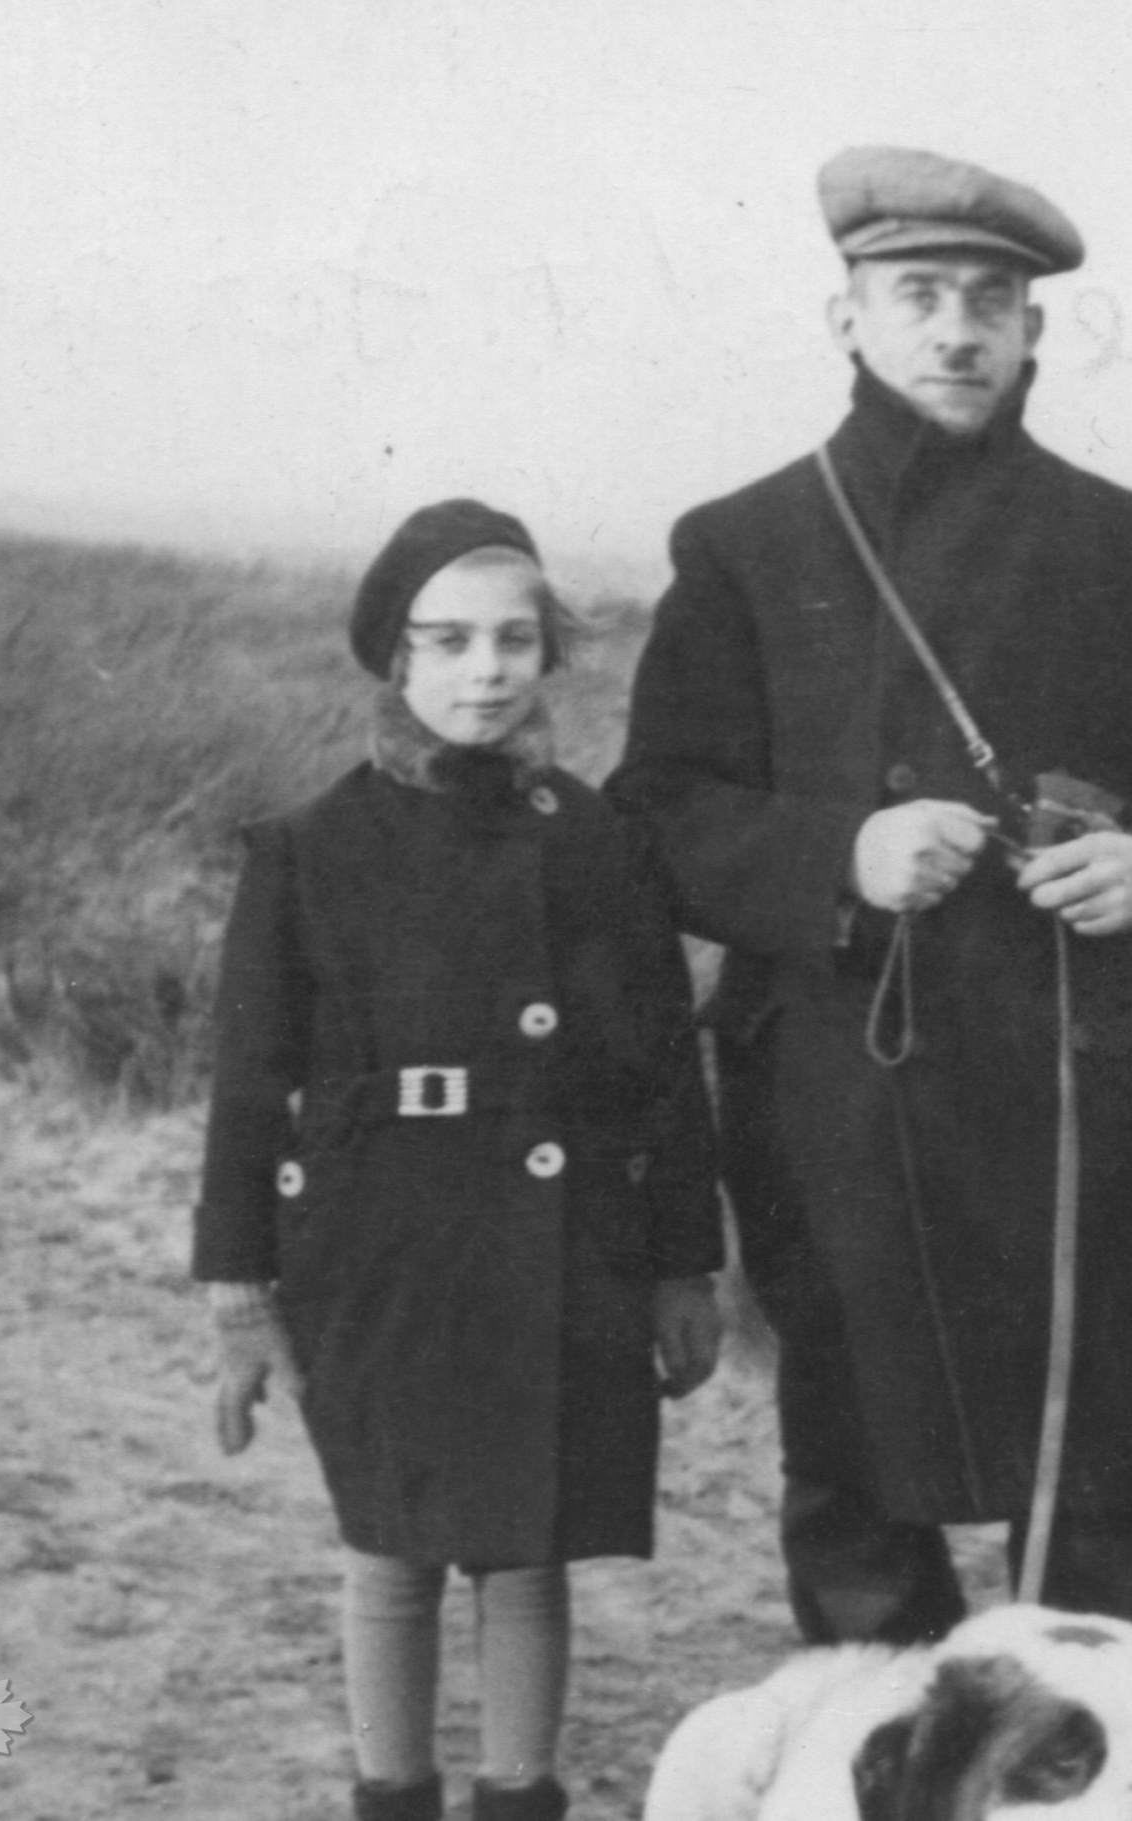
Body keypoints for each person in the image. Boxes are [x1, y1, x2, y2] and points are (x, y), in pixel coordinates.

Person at [611, 146, 1132, 1657]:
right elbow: (654, 813)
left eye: (992, 300)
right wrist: (837, 859)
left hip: (1085, 1089)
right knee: (865, 1501)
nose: (957, 330)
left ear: (1037, 332)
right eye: (917, 294)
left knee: (1118, 1502)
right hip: (848, 1094)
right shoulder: (744, 544)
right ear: (846, 315)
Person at [192, 499, 726, 1821]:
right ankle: (393, 1796)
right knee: (391, 1542)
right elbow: (250, 1093)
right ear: (395, 656)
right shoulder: (312, 851)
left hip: (563, 1248)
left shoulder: (600, 840)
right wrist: (240, 1295)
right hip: (381, 1244)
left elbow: (665, 1070)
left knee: (529, 1544)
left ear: (549, 651)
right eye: (447, 641)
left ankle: (519, 1795)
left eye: (513, 638)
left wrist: (682, 1266)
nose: (484, 669)